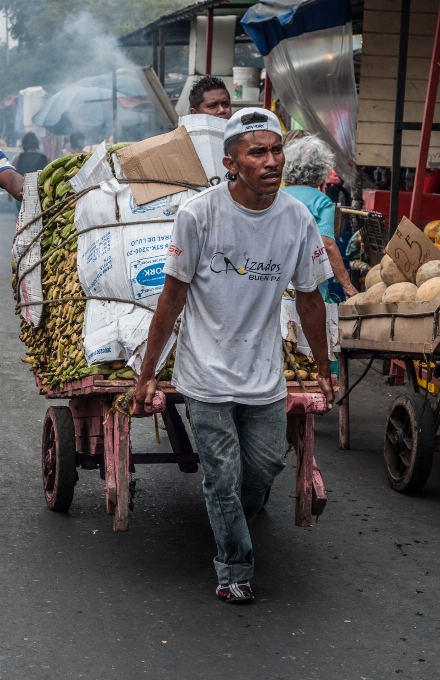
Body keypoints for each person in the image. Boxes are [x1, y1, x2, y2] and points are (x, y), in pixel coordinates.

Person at [134, 108, 335, 603]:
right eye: (257, 152)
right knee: (222, 476)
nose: (272, 161)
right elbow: (172, 297)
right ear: (231, 162)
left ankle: (230, 523)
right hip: (205, 373)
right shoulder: (198, 215)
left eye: (276, 150)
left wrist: (324, 371)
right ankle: (234, 569)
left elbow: (309, 299)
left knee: (263, 470)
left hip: (263, 377)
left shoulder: (297, 218)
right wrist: (148, 373)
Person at [282, 135, 358, 300]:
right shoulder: (322, 202)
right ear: (321, 170)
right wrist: (348, 286)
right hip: (309, 289)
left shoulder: (274, 197)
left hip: (275, 283)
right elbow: (327, 245)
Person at [12, 132, 48, 212]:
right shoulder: (45, 158)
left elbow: (13, 176)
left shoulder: (18, 158)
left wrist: (10, 193)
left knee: (23, 217)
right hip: (40, 194)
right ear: (36, 144)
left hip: (22, 193)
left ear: (24, 144)